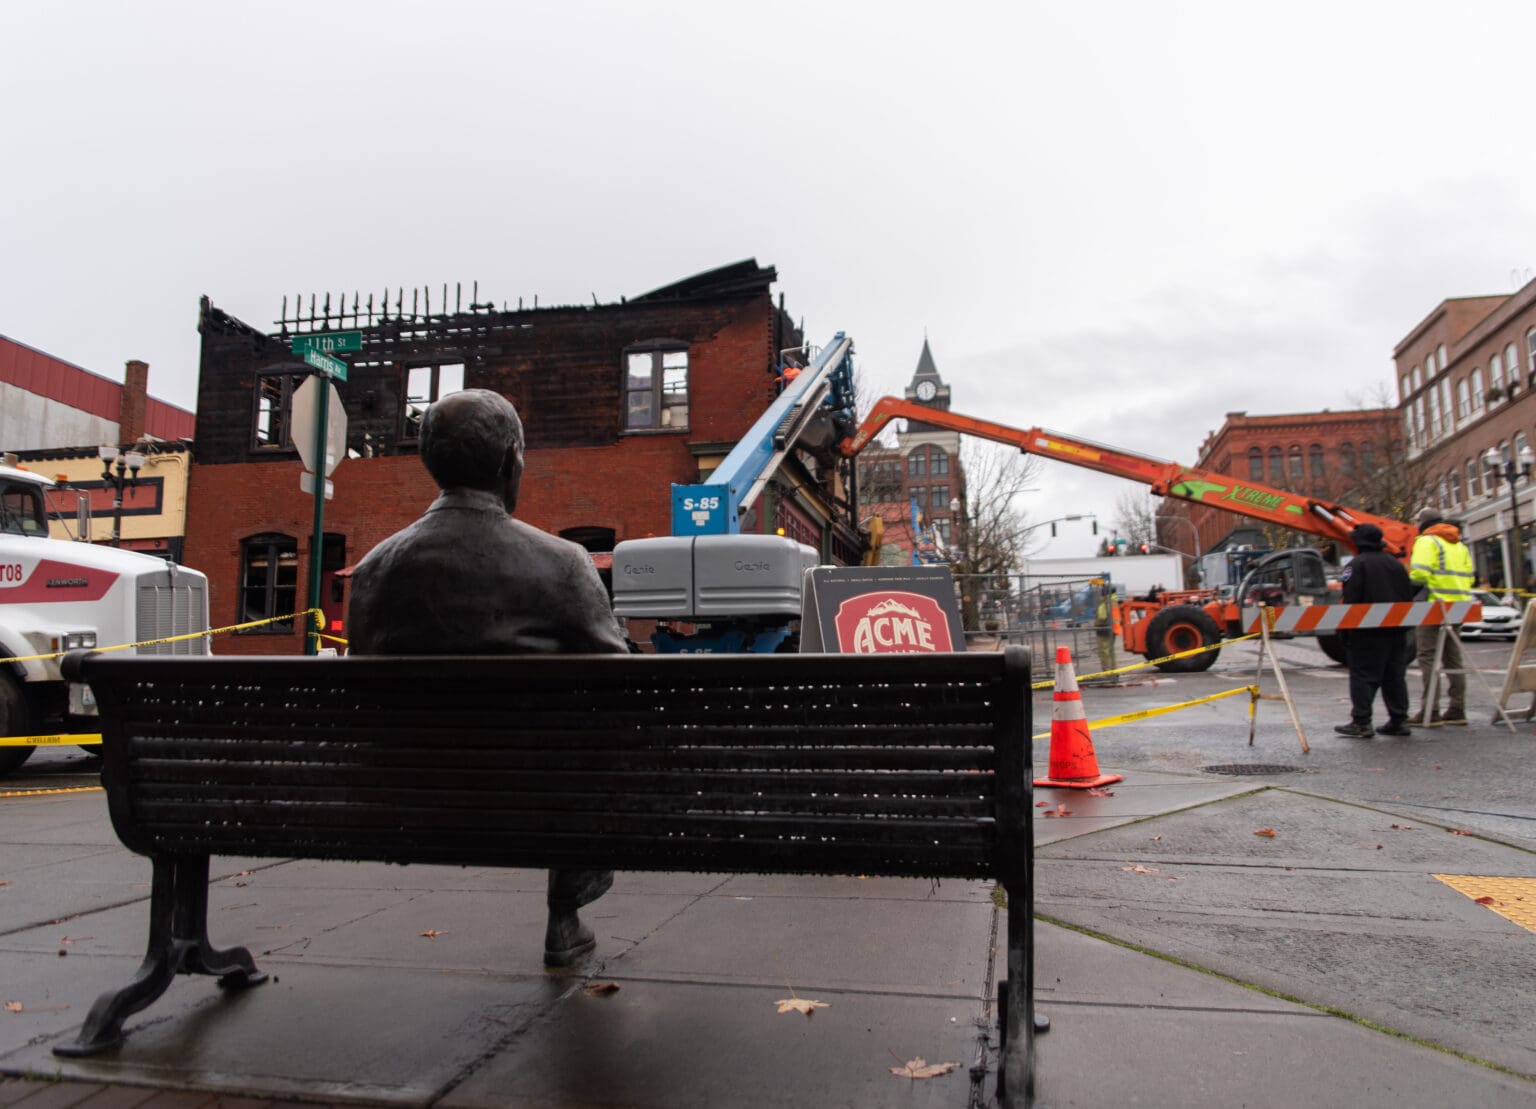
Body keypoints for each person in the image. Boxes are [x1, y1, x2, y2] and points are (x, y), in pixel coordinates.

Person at [346, 388, 628, 966]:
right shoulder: (563, 563)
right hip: (534, 793)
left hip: (397, 793)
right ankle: (564, 912)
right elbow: (622, 684)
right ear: (509, 463)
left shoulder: (375, 568)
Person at [1333, 524, 1417, 738]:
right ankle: (1399, 720)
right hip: (1396, 631)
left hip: (1366, 632)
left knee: (1363, 676)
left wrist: (1345, 629)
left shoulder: (1356, 565)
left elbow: (1350, 599)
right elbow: (1408, 595)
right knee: (1394, 676)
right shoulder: (1395, 564)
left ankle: (1361, 722)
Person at [1408, 510, 1475, 727]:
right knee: (1453, 659)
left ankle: (1430, 711)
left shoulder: (1427, 541)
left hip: (1434, 606)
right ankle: (1457, 709)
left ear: (1423, 523)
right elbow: (1469, 576)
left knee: (1428, 657)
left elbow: (1419, 574)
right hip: (1458, 607)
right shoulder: (1459, 544)